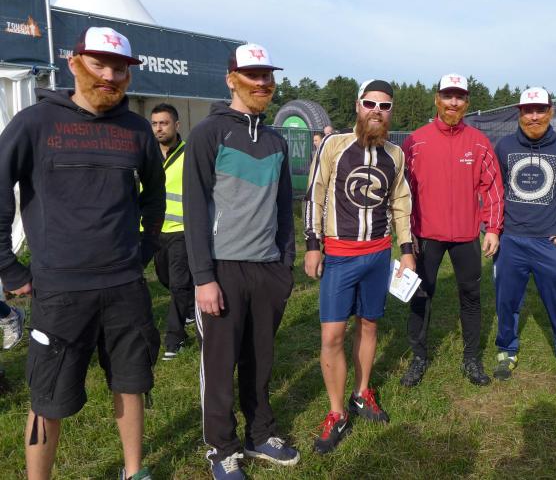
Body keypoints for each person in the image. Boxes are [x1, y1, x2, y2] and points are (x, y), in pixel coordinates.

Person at [0, 26, 165, 480]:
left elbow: (154, 196)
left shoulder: (136, 129)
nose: (109, 75)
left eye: (119, 68)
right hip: (59, 291)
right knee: (47, 396)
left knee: (131, 381)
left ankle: (134, 471)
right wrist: (8, 266)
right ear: (74, 63)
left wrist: (144, 248)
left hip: (125, 286)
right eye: (99, 64)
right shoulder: (34, 123)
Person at [183, 43, 298, 479]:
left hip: (267, 269)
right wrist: (203, 277)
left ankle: (260, 433)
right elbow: (195, 209)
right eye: (253, 75)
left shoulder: (275, 140)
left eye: (268, 75)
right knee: (219, 365)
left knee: (260, 359)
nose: (263, 83)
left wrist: (284, 266)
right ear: (232, 79)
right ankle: (221, 448)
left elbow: (284, 207)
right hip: (222, 269)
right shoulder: (208, 133)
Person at [304, 79, 414, 454]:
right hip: (339, 254)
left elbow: (401, 203)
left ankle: (361, 393)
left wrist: (407, 250)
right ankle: (336, 413)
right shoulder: (334, 145)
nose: (376, 111)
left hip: (378, 254)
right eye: (370, 103)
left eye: (384, 106)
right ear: (357, 105)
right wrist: (313, 245)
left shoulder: (395, 154)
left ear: (391, 111)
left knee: (369, 325)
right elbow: (315, 194)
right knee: (332, 336)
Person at [401, 73, 504, 387]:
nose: (453, 102)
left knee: (471, 295)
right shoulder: (415, 141)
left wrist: (493, 228)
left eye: (459, 97)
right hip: (425, 235)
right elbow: (401, 191)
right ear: (437, 99)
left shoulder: (479, 142)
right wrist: (406, 234)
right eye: (448, 95)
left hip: (465, 235)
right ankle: (419, 358)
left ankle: (471, 358)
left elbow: (493, 187)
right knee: (421, 295)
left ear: (466, 102)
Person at [492, 87, 556, 389]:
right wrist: (493, 230)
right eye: (528, 110)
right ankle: (506, 350)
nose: (534, 116)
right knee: (506, 301)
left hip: (548, 242)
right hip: (511, 240)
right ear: (519, 113)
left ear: (550, 112)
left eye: (540, 110)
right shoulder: (504, 146)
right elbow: (493, 192)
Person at [148, 103, 195, 360]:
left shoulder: (190, 154)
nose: (159, 128)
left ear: (176, 125)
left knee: (178, 284)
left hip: (182, 230)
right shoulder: (147, 154)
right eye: (155, 124)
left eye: (164, 123)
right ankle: (192, 305)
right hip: (155, 230)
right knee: (165, 279)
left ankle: (174, 338)